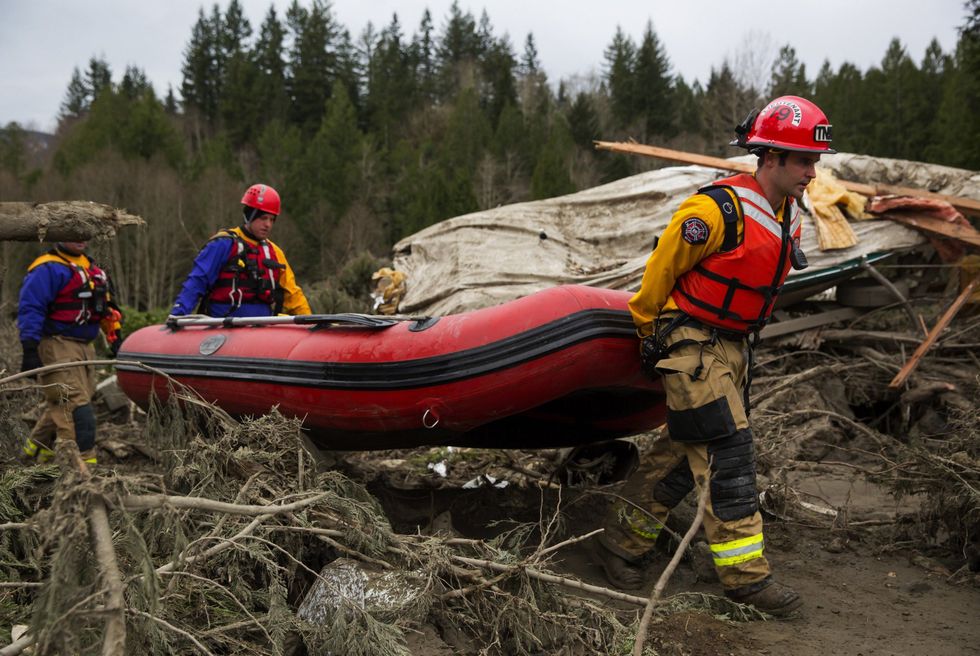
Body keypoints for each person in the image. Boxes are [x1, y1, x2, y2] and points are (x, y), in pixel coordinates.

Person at [591, 96, 835, 616]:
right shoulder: (714, 211)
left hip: (731, 348)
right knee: (729, 455)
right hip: (692, 346)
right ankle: (746, 579)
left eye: (815, 161)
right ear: (769, 157)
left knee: (678, 455)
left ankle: (619, 542)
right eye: (803, 161)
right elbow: (658, 274)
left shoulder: (788, 214)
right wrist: (648, 332)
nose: (813, 172)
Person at [18, 241, 124, 465]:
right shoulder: (47, 269)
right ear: (59, 235)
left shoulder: (93, 270)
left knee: (64, 403)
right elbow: (31, 309)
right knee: (76, 408)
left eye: (83, 234)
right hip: (56, 345)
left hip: (86, 346)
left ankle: (30, 456)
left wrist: (115, 338)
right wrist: (29, 349)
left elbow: (107, 309)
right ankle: (80, 469)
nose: (79, 239)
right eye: (72, 233)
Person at [169, 183, 311, 320]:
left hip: (263, 328)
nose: (268, 224)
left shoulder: (275, 252)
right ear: (249, 216)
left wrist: (311, 322)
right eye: (263, 218)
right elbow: (197, 280)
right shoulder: (223, 244)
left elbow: (293, 294)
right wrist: (179, 313)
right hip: (224, 326)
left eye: (272, 219)